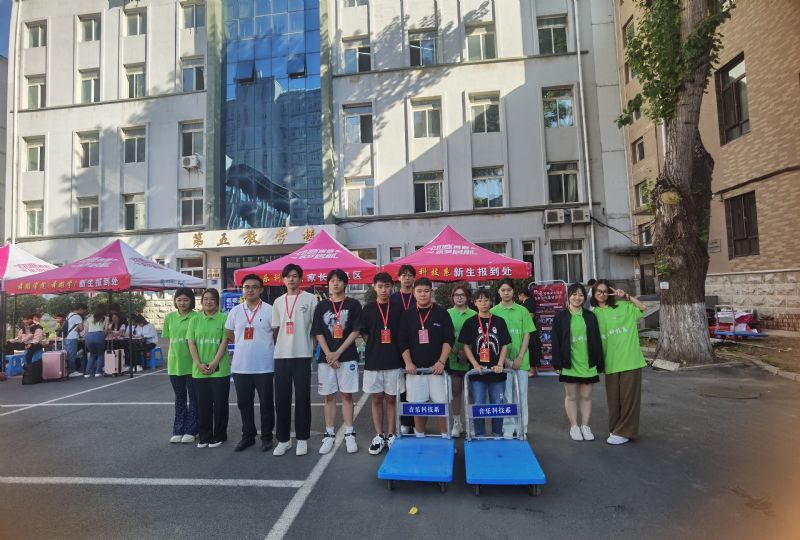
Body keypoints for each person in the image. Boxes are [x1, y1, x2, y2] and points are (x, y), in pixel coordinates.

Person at [591, 279, 648, 445]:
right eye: (598, 291)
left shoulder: (622, 306)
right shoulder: (593, 314)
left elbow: (643, 308)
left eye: (605, 291)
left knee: (629, 399)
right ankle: (616, 428)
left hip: (630, 360)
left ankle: (625, 432)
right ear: (594, 294)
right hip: (610, 362)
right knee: (614, 399)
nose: (602, 294)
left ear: (610, 292)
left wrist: (626, 296)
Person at [312, 269, 363, 455]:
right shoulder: (322, 306)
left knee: (347, 395)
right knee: (329, 396)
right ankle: (329, 433)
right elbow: (318, 332)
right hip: (326, 359)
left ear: (345, 283)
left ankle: (349, 433)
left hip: (347, 357)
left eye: (339, 280)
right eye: (332, 280)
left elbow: (356, 331)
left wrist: (338, 353)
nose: (335, 283)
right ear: (328, 284)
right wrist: (329, 354)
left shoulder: (353, 304)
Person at [398, 277, 455, 437]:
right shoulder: (407, 315)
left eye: (426, 291)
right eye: (419, 291)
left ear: (431, 292)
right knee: (418, 407)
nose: (423, 294)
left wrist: (441, 362)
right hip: (415, 371)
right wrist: (408, 363)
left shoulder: (442, 313)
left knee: (442, 406)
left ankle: (445, 437)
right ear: (413, 293)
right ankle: (419, 436)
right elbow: (402, 341)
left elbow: (449, 339)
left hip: (438, 370)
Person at [225, 274, 276, 453]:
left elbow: (276, 334)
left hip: (264, 366)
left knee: (266, 404)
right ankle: (248, 436)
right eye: (247, 287)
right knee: (244, 404)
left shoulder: (270, 310)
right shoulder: (235, 311)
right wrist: (243, 345)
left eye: (254, 287)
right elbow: (229, 333)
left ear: (261, 289)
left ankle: (267, 437)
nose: (250, 290)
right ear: (242, 290)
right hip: (241, 367)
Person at [272, 264, 318, 456]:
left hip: (302, 355)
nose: (291, 279)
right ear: (283, 280)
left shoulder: (310, 299)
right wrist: (282, 345)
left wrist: (312, 348)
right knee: (281, 399)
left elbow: (315, 328)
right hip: (282, 356)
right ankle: (283, 440)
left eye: (295, 276)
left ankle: (302, 439)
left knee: (302, 398)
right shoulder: (278, 302)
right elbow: (276, 329)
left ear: (300, 278)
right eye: (288, 276)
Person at [552, 283, 604, 441]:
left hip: (588, 363)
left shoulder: (590, 316)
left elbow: (597, 340)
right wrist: (557, 363)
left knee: (586, 397)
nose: (577, 298)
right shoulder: (560, 317)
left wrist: (599, 362)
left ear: (584, 297)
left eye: (581, 295)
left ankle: (585, 426)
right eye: (574, 294)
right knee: (571, 396)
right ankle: (574, 426)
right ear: (568, 296)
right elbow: (556, 341)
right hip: (569, 363)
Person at [360, 272, 405, 455]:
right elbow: (364, 333)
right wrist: (374, 345)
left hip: (394, 360)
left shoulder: (398, 309)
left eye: (387, 286)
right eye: (380, 286)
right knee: (377, 398)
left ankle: (391, 434)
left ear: (392, 287)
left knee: (392, 399)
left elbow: (402, 334)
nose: (384, 290)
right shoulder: (368, 309)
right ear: (374, 287)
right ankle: (379, 435)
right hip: (374, 361)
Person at [459, 288, 511, 438]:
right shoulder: (470, 323)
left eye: (486, 300)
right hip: (478, 373)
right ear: (474, 302)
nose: (483, 303)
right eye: (480, 300)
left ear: (491, 302)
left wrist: (500, 364)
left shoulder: (499, 321)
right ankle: (480, 435)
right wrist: (475, 364)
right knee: (478, 404)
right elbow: (466, 346)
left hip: (497, 373)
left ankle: (497, 434)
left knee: (497, 405)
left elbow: (505, 345)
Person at [490, 279, 536, 438]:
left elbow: (527, 334)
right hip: (502, 362)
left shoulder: (522, 311)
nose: (506, 293)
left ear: (513, 291)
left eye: (509, 290)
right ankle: (508, 427)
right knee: (507, 396)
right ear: (499, 292)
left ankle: (522, 427)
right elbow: (493, 338)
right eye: (503, 290)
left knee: (521, 395)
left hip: (521, 361)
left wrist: (520, 357)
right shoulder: (493, 311)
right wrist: (506, 361)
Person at [187, 288, 231, 449]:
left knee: (220, 405)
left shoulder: (224, 318)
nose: (208, 301)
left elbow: (224, 342)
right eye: (205, 298)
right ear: (201, 301)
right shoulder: (195, 320)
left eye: (212, 299)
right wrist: (198, 363)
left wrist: (214, 362)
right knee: (202, 405)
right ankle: (204, 436)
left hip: (220, 370)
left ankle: (219, 435)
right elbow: (191, 342)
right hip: (199, 370)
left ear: (217, 301)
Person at [162, 288, 198, 444]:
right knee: (180, 398)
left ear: (191, 301)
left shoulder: (197, 317)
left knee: (194, 398)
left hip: (193, 364)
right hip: (174, 364)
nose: (182, 303)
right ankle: (178, 429)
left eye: (185, 300)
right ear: (175, 301)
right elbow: (168, 339)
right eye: (179, 300)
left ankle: (192, 430)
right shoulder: (169, 317)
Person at [446, 283, 476, 437]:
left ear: (467, 297)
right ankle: (457, 424)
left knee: (471, 393)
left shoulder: (474, 314)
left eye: (462, 295)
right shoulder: (447, 313)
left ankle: (471, 423)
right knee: (456, 391)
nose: (459, 297)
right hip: (453, 357)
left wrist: (466, 353)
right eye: (456, 295)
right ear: (452, 298)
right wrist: (457, 352)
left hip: (472, 359)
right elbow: (444, 336)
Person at [390, 264, 417, 434]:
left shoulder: (418, 296)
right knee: (401, 388)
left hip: (416, 346)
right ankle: (404, 422)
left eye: (410, 275)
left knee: (415, 386)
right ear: (398, 277)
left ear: (414, 278)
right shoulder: (393, 298)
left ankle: (415, 422)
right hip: (396, 347)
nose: (407, 278)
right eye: (404, 275)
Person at [82, 304, 108, 377]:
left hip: (89, 336)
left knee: (92, 354)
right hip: (99, 335)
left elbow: (86, 330)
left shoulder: (90, 318)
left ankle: (87, 373)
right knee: (100, 353)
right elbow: (106, 330)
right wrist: (103, 336)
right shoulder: (106, 318)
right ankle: (98, 372)